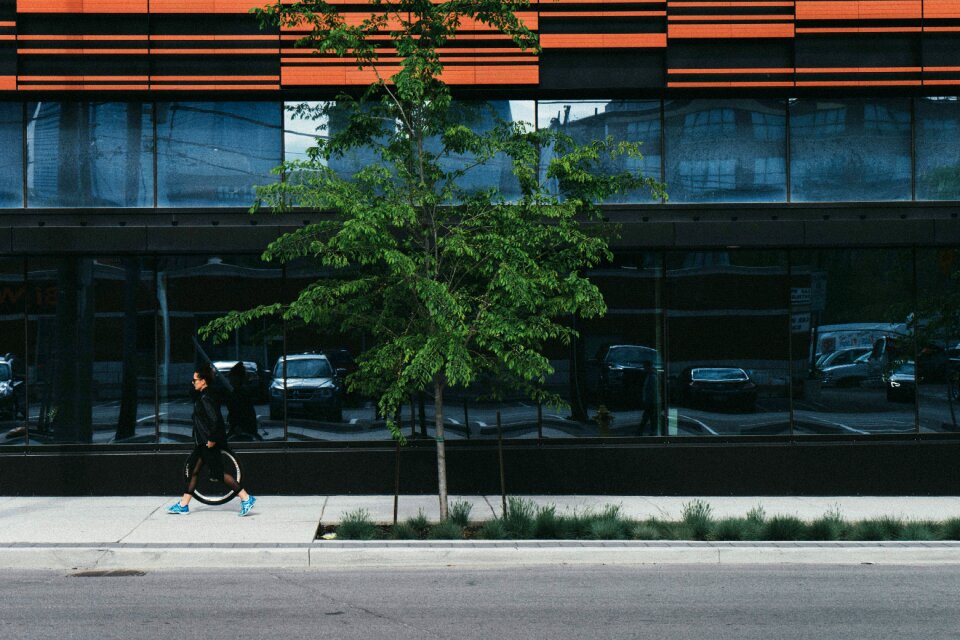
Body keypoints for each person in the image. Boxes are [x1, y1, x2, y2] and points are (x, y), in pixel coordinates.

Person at [167, 364, 256, 516]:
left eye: (195, 380)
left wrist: (212, 440)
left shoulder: (206, 398)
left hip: (208, 442)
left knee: (218, 473)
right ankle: (183, 504)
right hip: (201, 442)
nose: (193, 382)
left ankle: (246, 498)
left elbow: (216, 421)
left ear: (203, 381)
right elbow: (191, 393)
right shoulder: (202, 395)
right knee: (194, 471)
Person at [226, 362, 262, 441]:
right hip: (244, 429)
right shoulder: (241, 392)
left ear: (236, 378)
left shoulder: (239, 393)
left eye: (231, 378)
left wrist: (238, 426)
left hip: (242, 430)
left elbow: (241, 412)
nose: (230, 380)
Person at [637, 361, 660, 436]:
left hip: (651, 402)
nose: (644, 369)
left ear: (648, 367)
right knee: (650, 417)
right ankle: (651, 431)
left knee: (647, 417)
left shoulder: (652, 377)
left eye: (645, 367)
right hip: (652, 401)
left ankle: (641, 432)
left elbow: (652, 391)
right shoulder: (651, 376)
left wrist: (647, 401)